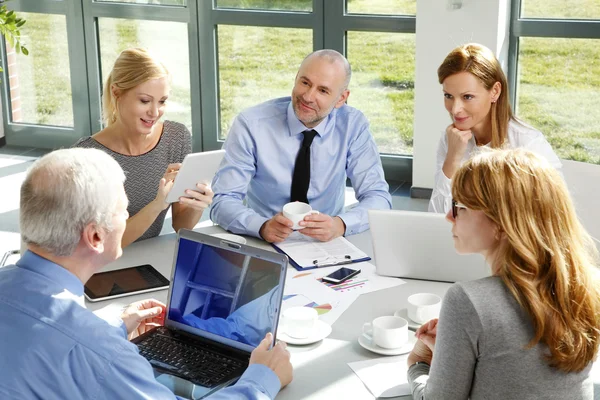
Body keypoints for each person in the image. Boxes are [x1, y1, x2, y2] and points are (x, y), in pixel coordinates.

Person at [0, 148, 292, 400]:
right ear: (96, 237)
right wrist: (261, 380)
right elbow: (86, 349)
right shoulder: (106, 356)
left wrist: (114, 327)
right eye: (122, 210)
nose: (126, 216)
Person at [407, 148, 600, 399]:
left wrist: (418, 364)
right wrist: (454, 352)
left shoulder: (467, 301)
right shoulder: (590, 286)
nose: (448, 217)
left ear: (500, 222)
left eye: (459, 207)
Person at [210, 49, 392, 243]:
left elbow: (378, 197)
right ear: (296, 79)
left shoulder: (353, 125)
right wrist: (261, 226)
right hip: (262, 238)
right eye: (305, 83)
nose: (308, 97)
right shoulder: (251, 124)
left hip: (328, 241)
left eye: (323, 90)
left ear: (341, 98)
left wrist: (340, 225)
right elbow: (222, 200)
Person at [75, 48, 213, 247]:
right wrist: (158, 204)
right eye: (145, 101)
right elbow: (104, 242)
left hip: (149, 260)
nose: (155, 112)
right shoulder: (87, 156)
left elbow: (181, 225)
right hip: (99, 266)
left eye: (162, 101)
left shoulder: (176, 138)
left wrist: (197, 204)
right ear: (117, 92)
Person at [428, 43, 562, 213]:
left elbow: (552, 218)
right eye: (448, 96)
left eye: (467, 97)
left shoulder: (528, 143)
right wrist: (452, 159)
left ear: (495, 92)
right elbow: (437, 216)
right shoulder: (451, 140)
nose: (455, 109)